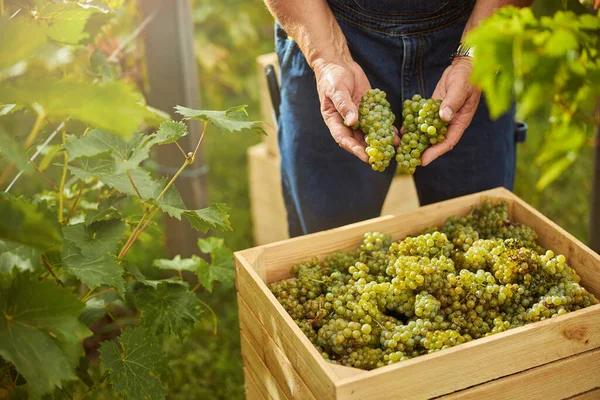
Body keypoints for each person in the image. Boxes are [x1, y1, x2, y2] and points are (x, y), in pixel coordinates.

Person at [263, 0, 531, 238]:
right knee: (325, 242)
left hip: (473, 22)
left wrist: (475, 54)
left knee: (479, 232)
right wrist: (326, 58)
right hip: (325, 25)